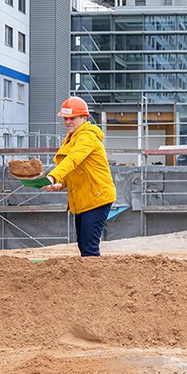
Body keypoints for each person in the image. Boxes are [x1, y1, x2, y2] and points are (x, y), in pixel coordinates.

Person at [42, 97, 116, 257]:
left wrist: (53, 176)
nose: (68, 122)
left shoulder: (87, 137)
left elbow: (73, 159)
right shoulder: (72, 138)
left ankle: (94, 280)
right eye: (65, 118)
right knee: (83, 245)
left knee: (89, 248)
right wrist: (60, 183)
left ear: (84, 118)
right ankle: (88, 279)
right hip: (83, 199)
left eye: (72, 118)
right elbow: (75, 170)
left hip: (96, 198)